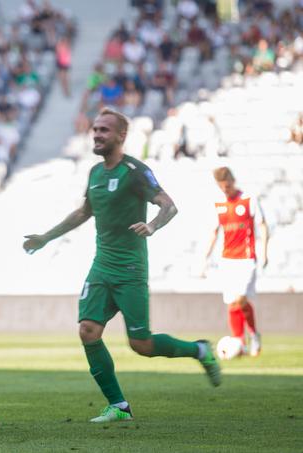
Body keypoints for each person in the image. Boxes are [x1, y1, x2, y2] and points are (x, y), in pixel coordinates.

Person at [23, 108, 221, 423]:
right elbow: (84, 211)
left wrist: (153, 225)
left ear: (121, 136)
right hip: (101, 266)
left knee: (141, 344)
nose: (97, 135)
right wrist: (46, 237)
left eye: (104, 130)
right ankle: (119, 405)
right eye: (95, 130)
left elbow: (168, 205)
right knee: (88, 331)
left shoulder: (135, 171)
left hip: (130, 270)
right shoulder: (95, 173)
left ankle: (199, 350)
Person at [204, 167, 267, 357]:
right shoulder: (218, 205)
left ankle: (254, 335)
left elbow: (262, 225)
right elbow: (214, 232)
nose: (225, 190)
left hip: (246, 258)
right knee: (232, 304)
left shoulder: (249, 199)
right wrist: (205, 257)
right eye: (222, 187)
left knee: (241, 299)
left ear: (233, 181)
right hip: (227, 259)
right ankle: (240, 342)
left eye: (228, 185)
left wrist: (264, 252)